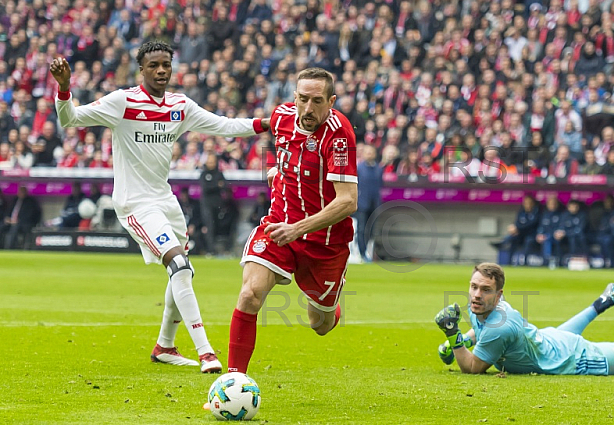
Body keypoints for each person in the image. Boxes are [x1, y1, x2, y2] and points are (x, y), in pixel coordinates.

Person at [50, 41, 271, 373]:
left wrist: (265, 123)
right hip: (135, 204)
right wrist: (65, 89)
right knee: (180, 267)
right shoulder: (122, 101)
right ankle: (206, 352)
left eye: (166, 64)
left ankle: (164, 346)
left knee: (182, 271)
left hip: (166, 202)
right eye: (154, 65)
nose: (161, 71)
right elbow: (71, 120)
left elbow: (223, 125)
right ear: (142, 69)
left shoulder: (179, 106)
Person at [227, 67, 358, 375]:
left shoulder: (339, 136)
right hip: (278, 224)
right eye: (302, 99)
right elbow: (270, 137)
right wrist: (278, 174)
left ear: (331, 101)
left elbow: (348, 200)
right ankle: (233, 382)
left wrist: (297, 228)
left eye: (316, 101)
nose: (308, 109)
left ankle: (330, 304)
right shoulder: (282, 117)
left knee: (320, 324)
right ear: (293, 97)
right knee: (249, 294)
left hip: (324, 243)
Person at [435, 263, 614, 375]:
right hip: (550, 339)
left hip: (573, 358)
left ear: (498, 295)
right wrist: (461, 339)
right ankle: (599, 304)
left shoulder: (501, 325)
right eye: (473, 287)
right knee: (556, 338)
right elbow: (478, 331)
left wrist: (451, 336)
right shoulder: (485, 309)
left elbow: (473, 368)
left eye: (484, 290)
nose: (475, 295)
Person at [492, 194, 539, 266]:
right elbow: (517, 222)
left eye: (529, 203)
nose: (527, 205)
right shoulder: (521, 212)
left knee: (528, 241)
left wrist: (518, 228)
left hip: (531, 234)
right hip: (520, 234)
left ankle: (525, 263)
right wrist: (513, 227)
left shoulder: (536, 212)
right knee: (511, 238)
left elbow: (531, 224)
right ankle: (509, 261)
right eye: (526, 203)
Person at [355, 144, 383, 263]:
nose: (369, 154)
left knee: (371, 230)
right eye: (367, 152)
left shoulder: (378, 168)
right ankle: (361, 253)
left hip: (374, 204)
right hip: (362, 203)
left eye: (371, 152)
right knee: (361, 229)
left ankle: (367, 252)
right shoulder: (359, 168)